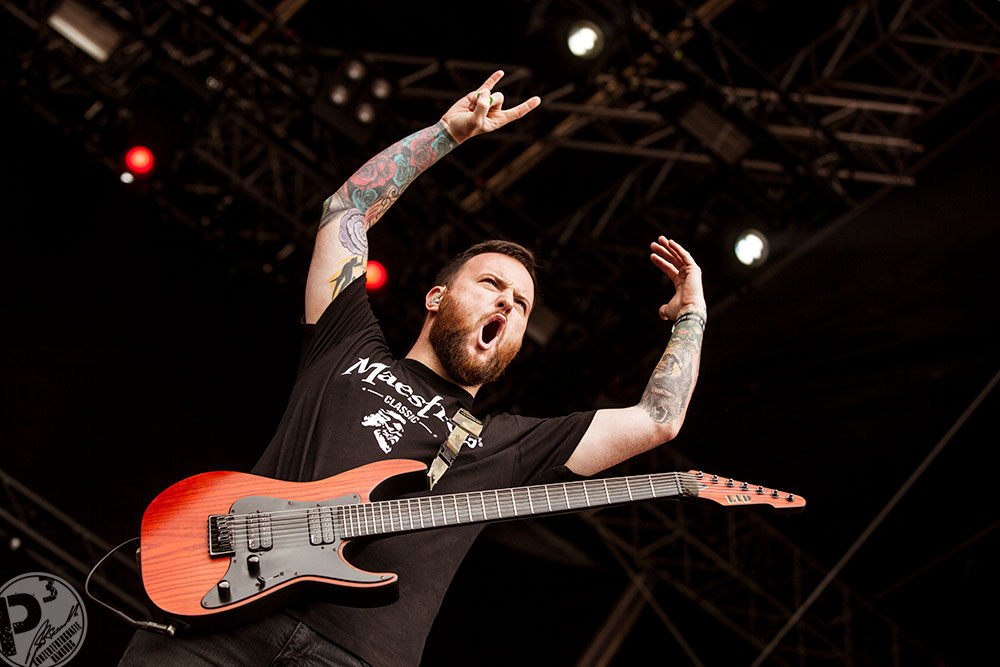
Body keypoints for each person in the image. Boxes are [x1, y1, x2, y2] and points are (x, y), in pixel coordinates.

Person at [118, 70, 706, 666]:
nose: (508, 302)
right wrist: (446, 134)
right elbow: (346, 209)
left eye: (522, 304)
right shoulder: (347, 342)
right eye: (491, 284)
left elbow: (658, 419)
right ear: (436, 297)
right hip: (223, 612)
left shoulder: (510, 446)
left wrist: (692, 315)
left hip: (354, 655)